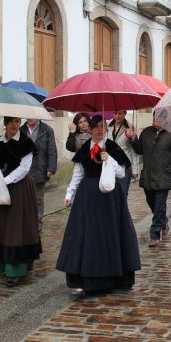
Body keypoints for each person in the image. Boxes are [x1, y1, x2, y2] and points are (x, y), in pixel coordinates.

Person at [57, 115, 141, 295]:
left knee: (110, 234)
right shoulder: (84, 149)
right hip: (88, 198)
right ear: (90, 129)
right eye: (96, 127)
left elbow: (120, 173)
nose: (100, 130)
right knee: (87, 236)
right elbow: (78, 174)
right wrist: (69, 193)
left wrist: (108, 159)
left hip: (110, 197)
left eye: (103, 126)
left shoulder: (112, 147)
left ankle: (112, 276)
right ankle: (84, 278)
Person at [0, 117, 41, 287]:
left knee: (17, 227)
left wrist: (5, 182)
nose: (15, 125)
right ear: (5, 123)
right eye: (11, 122)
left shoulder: (25, 142)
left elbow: (24, 168)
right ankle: (2, 264)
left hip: (20, 189)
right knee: (1, 226)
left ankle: (16, 270)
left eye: (17, 121)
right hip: (1, 188)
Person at [130, 116, 171, 247]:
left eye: (161, 118)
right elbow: (139, 150)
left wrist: (170, 167)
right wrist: (133, 138)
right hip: (148, 176)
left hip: (163, 175)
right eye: (155, 118)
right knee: (152, 202)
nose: (157, 121)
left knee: (159, 204)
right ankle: (163, 220)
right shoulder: (146, 132)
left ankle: (155, 234)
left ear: (167, 120)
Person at [21, 118, 57, 233]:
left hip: (40, 168)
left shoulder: (47, 130)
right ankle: (25, 222)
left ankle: (38, 222)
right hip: (23, 170)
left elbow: (52, 150)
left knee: (38, 199)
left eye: (32, 115)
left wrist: (50, 168)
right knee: (23, 198)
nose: (29, 118)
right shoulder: (21, 130)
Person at [109, 110, 139, 195]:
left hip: (125, 165)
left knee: (123, 193)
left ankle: (122, 208)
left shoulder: (130, 127)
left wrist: (135, 170)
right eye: (115, 113)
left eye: (120, 113)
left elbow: (134, 150)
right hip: (110, 165)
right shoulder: (107, 126)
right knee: (110, 194)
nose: (117, 116)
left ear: (125, 114)